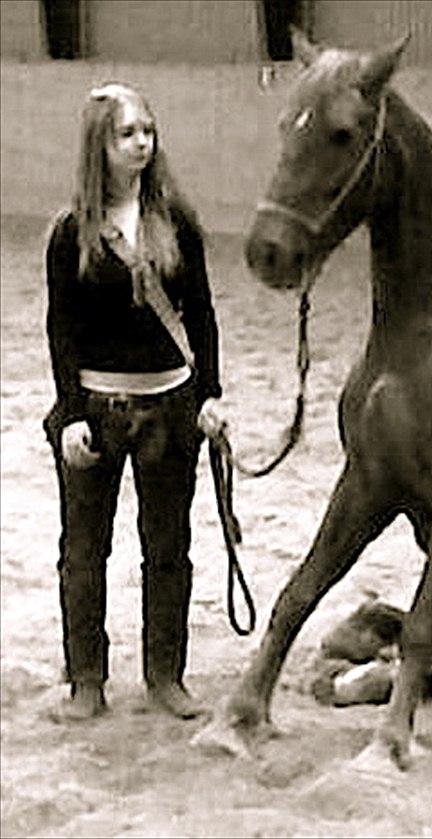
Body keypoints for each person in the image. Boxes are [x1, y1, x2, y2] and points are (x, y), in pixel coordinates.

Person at [44, 82, 226, 721]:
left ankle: (164, 675)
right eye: (127, 134)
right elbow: (61, 330)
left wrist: (211, 395)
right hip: (95, 410)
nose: (142, 143)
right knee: (84, 551)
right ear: (101, 144)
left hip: (171, 409)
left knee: (168, 545)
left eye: (147, 131)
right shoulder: (71, 233)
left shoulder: (178, 222)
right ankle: (86, 679)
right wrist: (69, 416)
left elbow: (201, 315)